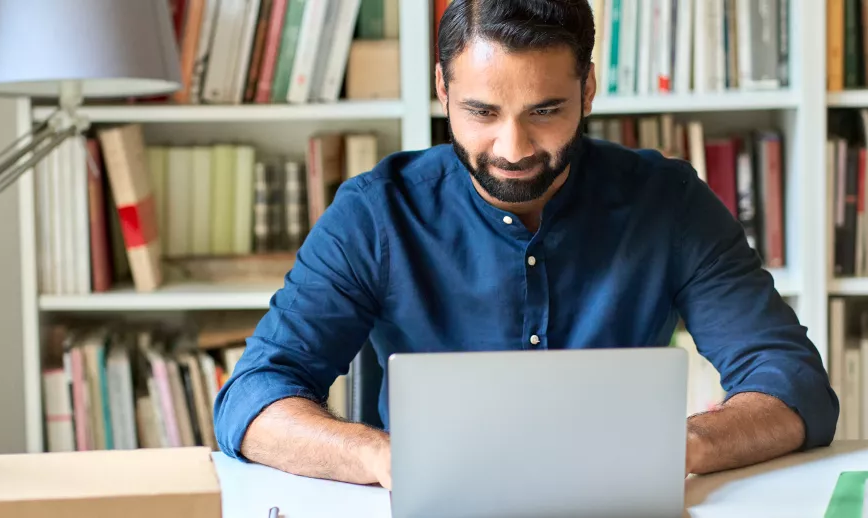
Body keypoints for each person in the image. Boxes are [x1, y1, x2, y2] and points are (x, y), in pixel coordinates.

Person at [213, 0, 838, 490]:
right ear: (442, 90)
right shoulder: (374, 214)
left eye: (545, 111)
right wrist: (385, 457)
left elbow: (794, 386)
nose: (512, 149)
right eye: (482, 112)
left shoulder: (668, 203)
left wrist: (680, 448)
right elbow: (253, 396)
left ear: (588, 91)